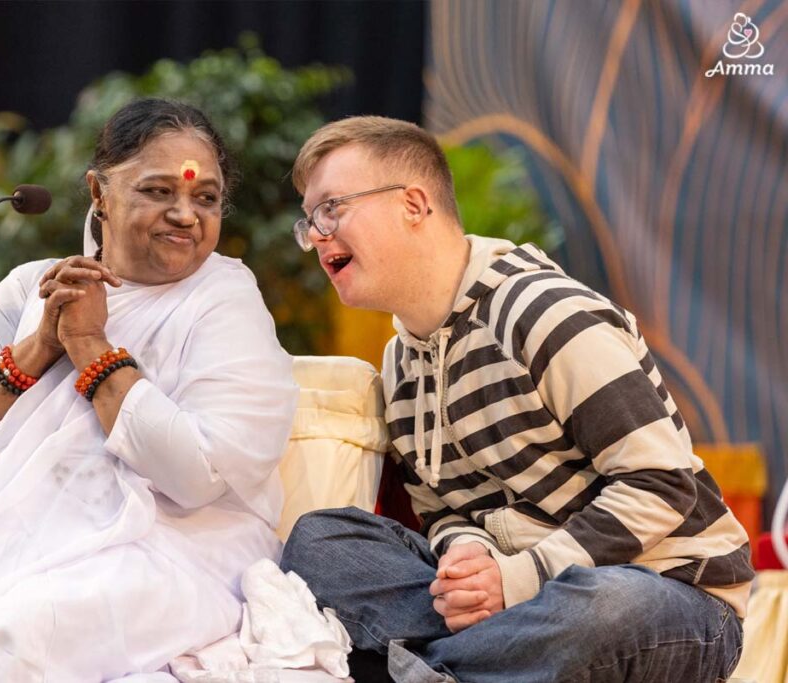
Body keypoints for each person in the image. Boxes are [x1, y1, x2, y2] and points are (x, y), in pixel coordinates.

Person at [0, 99, 298, 682]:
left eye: (205, 198)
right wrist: (39, 346)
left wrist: (91, 346)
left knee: (10, 643)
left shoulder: (224, 297)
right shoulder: (29, 289)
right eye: (159, 192)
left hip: (173, 556)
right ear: (98, 193)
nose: (186, 214)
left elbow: (197, 477)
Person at [279, 116, 752, 682]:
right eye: (309, 222)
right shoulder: (399, 364)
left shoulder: (544, 311)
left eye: (331, 209)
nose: (318, 236)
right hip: (513, 603)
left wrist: (520, 579)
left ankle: (412, 670)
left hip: (666, 590)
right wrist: (466, 563)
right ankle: (457, 670)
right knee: (323, 541)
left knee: (603, 607)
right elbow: (447, 510)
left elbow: (661, 483)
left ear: (412, 204)